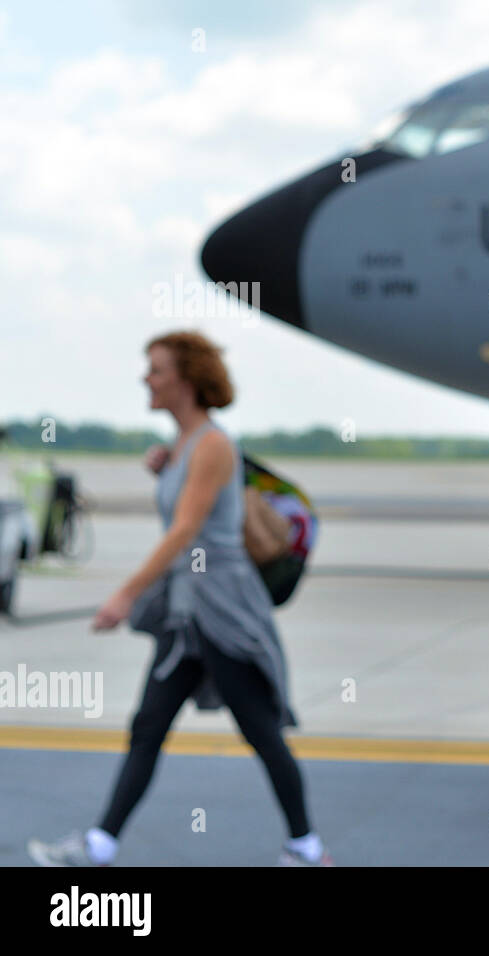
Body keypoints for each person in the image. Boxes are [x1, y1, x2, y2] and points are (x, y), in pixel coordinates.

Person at [27, 331, 332, 867]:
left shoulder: (213, 444)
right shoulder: (185, 447)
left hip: (222, 608)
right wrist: (166, 468)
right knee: (148, 726)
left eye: (157, 370)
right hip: (187, 616)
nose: (147, 379)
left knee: (261, 731)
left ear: (186, 381)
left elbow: (185, 531)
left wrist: (125, 594)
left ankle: (307, 850)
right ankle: (100, 845)